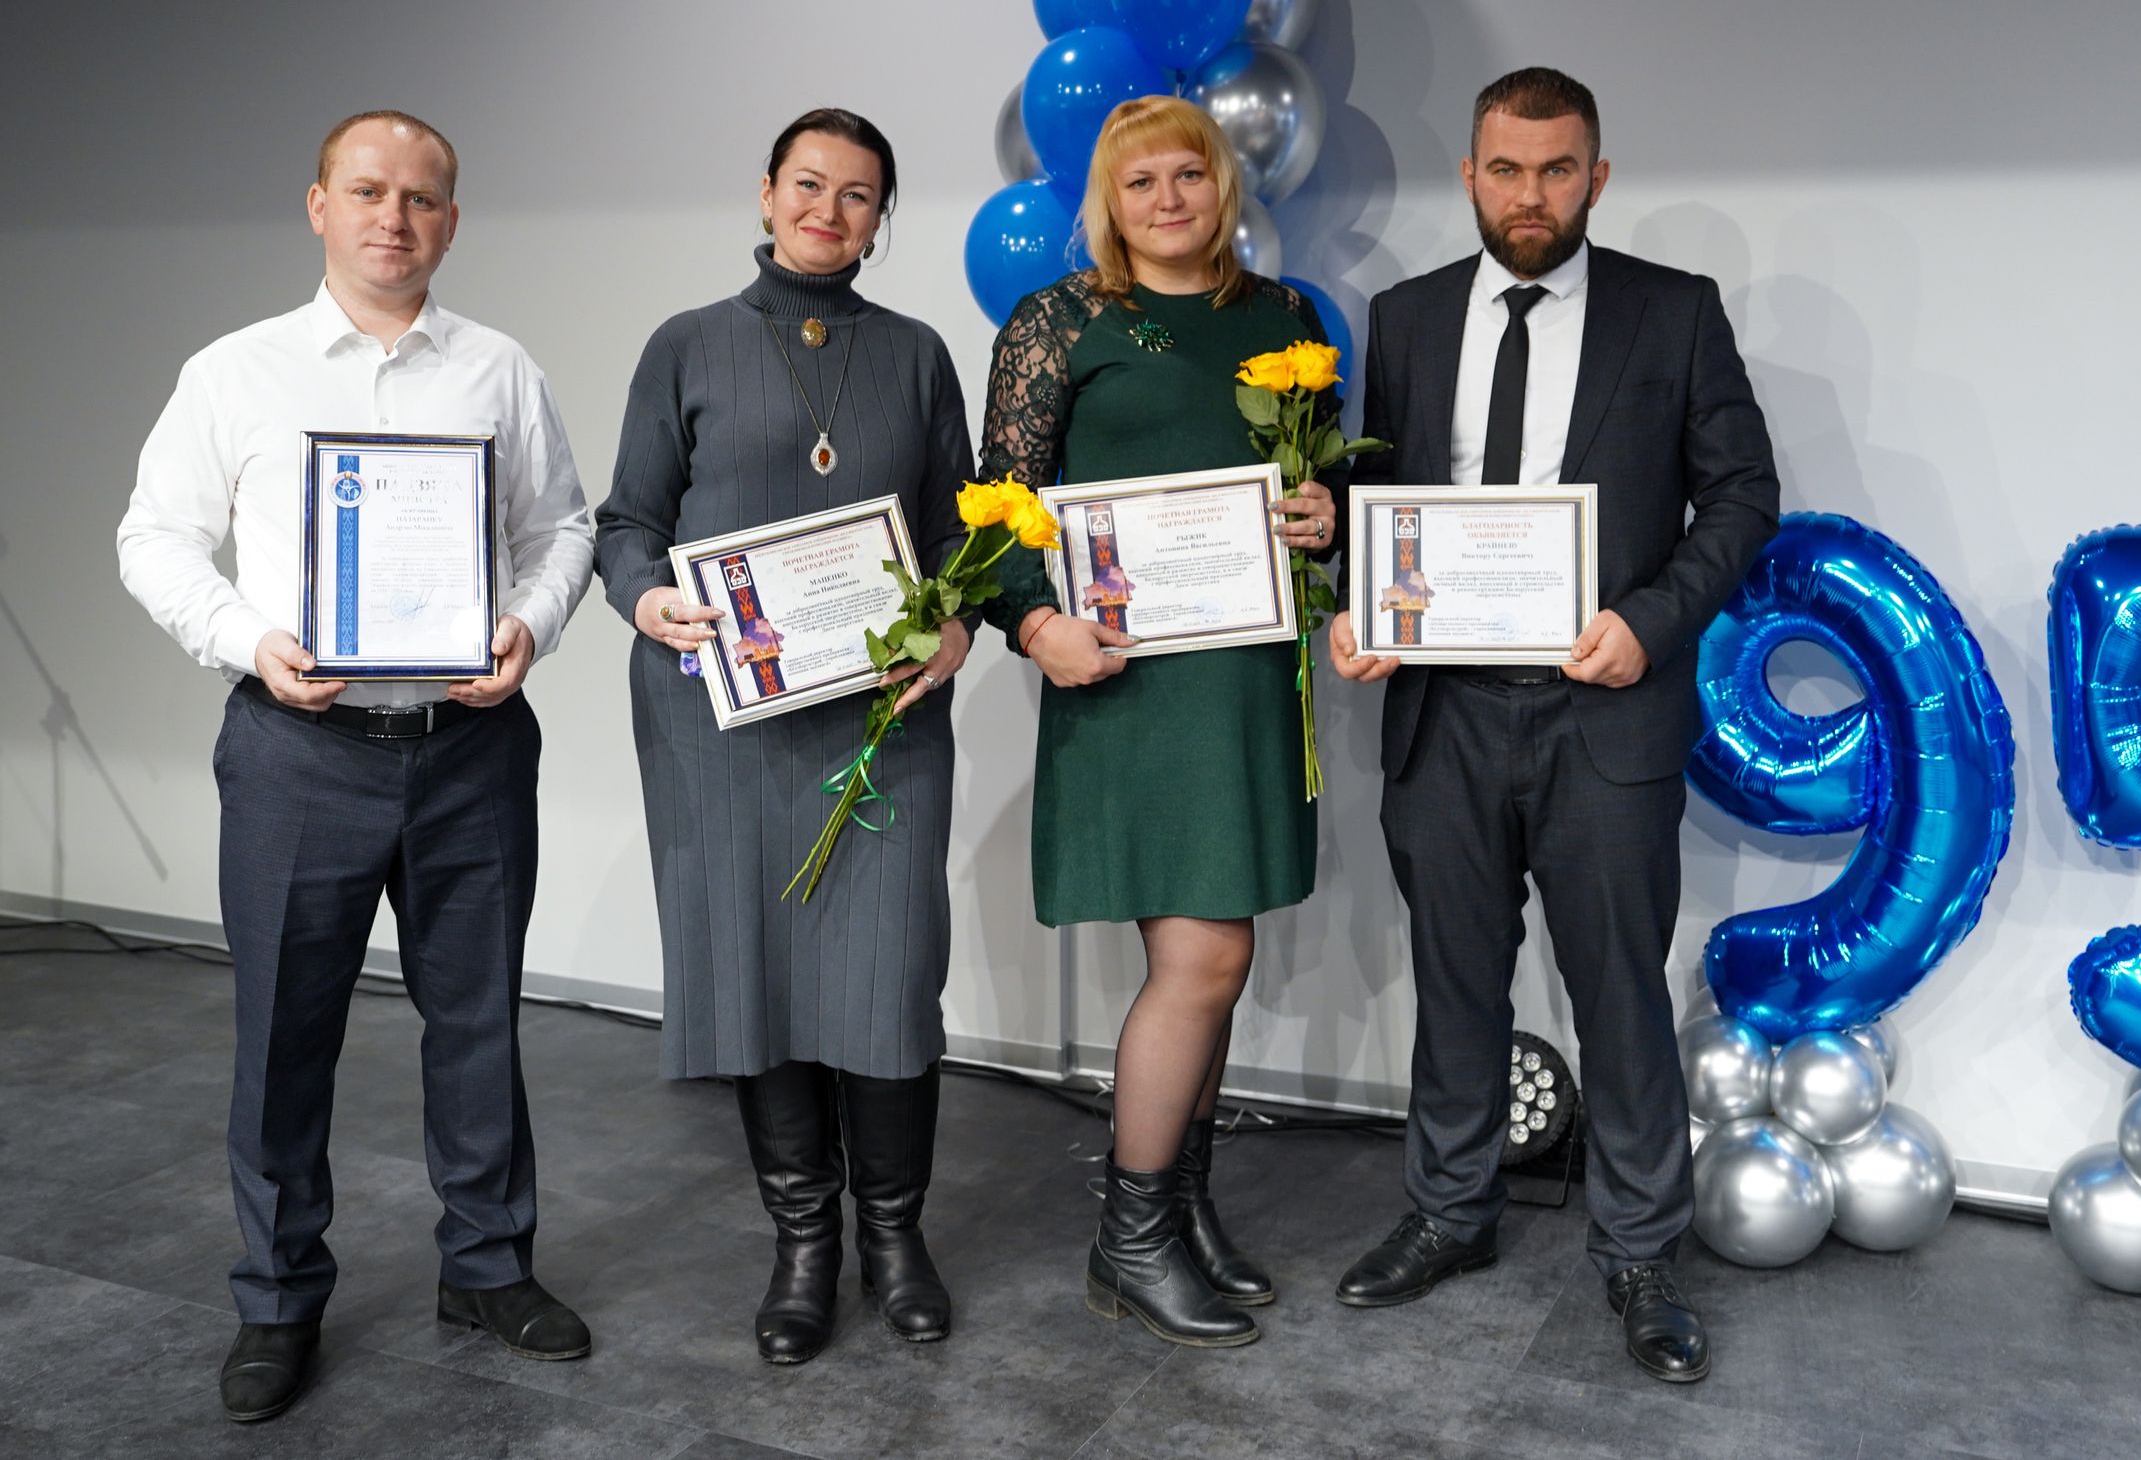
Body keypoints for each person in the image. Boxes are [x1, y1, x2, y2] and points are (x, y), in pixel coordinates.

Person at [116, 111, 598, 1422]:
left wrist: (529, 625)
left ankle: (487, 1266)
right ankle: (278, 1296)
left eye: (422, 198)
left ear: (452, 220)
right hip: (298, 751)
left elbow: (564, 530)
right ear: (318, 204)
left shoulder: (498, 369)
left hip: (469, 747)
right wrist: (248, 639)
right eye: (370, 191)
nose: (396, 217)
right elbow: (152, 537)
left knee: (479, 1020)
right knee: (284, 1032)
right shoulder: (237, 371)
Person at [1328, 68, 1779, 1385]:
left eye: (1558, 168)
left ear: (1597, 175)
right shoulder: (1406, 317)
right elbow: (1380, 503)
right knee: (1456, 981)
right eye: (1507, 169)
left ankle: (1641, 1249)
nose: (1531, 195)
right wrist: (1359, 608)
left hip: (1606, 712)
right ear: (1471, 174)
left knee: (1619, 993)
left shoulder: (1672, 312)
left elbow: (1742, 496)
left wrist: (1650, 618)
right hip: (1447, 712)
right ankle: (1450, 1210)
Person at [593, 109, 973, 1361]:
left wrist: (955, 628)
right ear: (765, 194)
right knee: (755, 975)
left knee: (888, 977)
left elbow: (957, 533)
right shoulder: (687, 344)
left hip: (881, 722)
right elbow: (627, 521)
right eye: (808, 184)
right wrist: (646, 598)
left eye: (858, 194)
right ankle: (804, 1243)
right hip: (723, 725)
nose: (829, 209)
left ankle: (895, 1237)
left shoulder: (916, 355)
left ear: (880, 218)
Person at [978, 95, 1340, 1349]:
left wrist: (1323, 514)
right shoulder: (1058, 322)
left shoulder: (1284, 319)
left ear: (1221, 185)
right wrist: (1035, 622)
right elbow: (1000, 510)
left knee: (1219, 955)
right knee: (1206, 959)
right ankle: (1129, 1243)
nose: (1168, 199)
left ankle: (1180, 1212)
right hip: (1131, 679)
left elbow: (1317, 479)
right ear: (1108, 204)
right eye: (1141, 183)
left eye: (1188, 174)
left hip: (1246, 674)